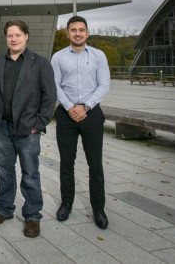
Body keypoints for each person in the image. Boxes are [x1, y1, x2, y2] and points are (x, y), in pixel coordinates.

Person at [0, 19, 56, 238]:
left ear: (26, 36)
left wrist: (39, 124)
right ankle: (4, 209)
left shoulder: (40, 63)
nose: (13, 39)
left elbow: (49, 96)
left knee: (30, 173)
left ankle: (32, 216)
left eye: (17, 35)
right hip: (2, 128)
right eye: (10, 36)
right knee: (4, 171)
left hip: (27, 129)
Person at [51, 15, 111, 229]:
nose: (77, 33)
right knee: (67, 163)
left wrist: (84, 107)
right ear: (67, 33)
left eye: (81, 30)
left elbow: (104, 85)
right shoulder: (58, 57)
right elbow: (55, 86)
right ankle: (66, 203)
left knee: (95, 164)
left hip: (91, 113)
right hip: (66, 115)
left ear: (87, 33)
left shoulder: (98, 56)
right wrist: (70, 108)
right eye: (73, 30)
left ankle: (98, 208)